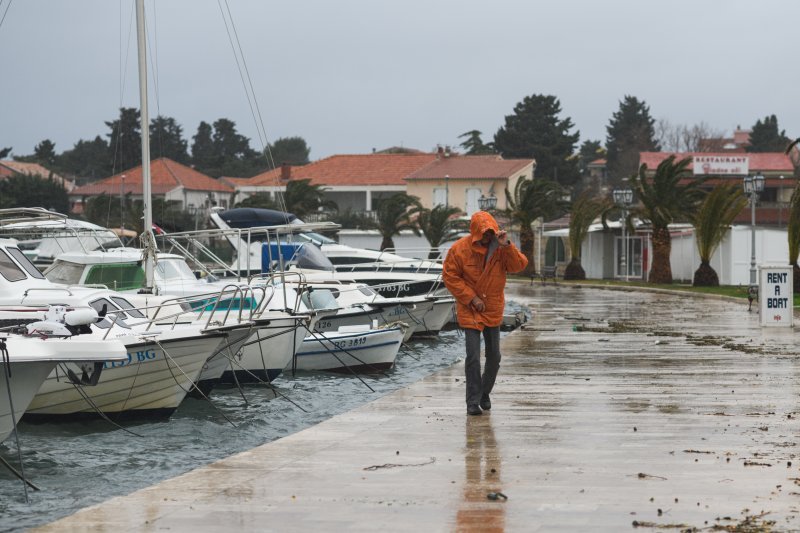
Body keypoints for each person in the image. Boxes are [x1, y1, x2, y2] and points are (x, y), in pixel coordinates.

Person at [442, 210, 528, 415]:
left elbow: (519, 265)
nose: (488, 237)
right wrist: (472, 298)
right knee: (472, 356)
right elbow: (450, 277)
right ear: (475, 233)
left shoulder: (501, 248)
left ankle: (484, 393)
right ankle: (472, 402)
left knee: (494, 357)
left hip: (492, 307)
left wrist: (507, 245)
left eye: (491, 233)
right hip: (470, 308)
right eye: (484, 234)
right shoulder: (459, 249)